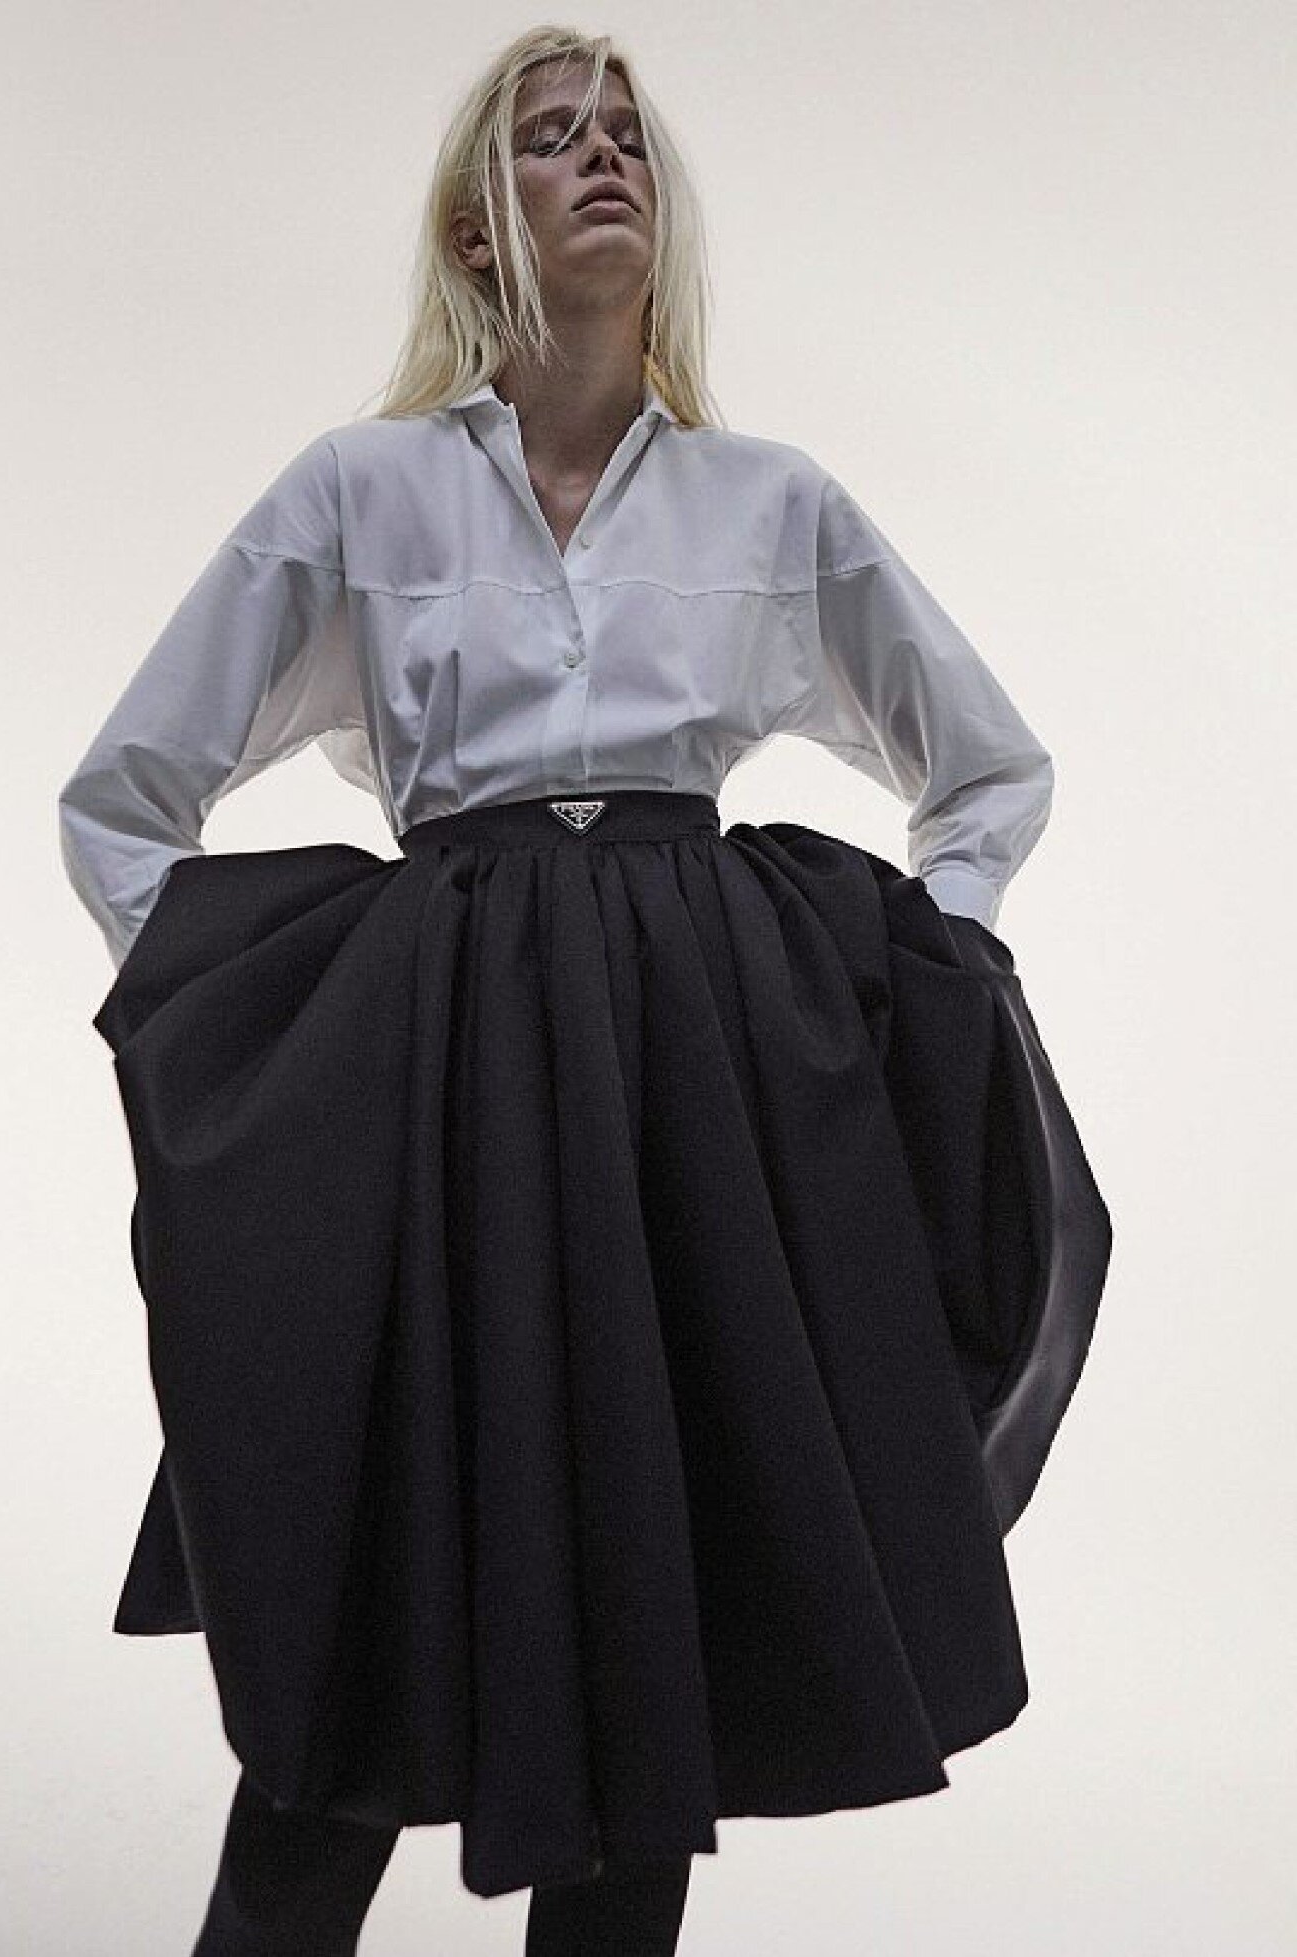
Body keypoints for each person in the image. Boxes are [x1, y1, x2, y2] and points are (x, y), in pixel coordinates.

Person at [58, 26, 1113, 1955]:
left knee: (653, 1602)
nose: (605, 156)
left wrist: (922, 959)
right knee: (366, 1604)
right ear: (482, 222)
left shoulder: (769, 501)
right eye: (554, 137)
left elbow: (989, 771)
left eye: (627, 134)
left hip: (685, 1081)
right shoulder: (360, 490)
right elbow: (125, 798)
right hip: (449, 1081)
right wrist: (262, 1042)